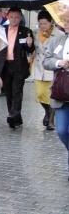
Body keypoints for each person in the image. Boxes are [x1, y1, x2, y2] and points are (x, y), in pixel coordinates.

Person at [0, 7, 34, 129]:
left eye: (16, 17)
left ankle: (13, 114)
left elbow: (30, 50)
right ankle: (16, 116)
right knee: (9, 92)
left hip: (19, 65)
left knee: (17, 91)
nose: (14, 20)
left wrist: (29, 43)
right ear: (7, 17)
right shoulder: (1, 30)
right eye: (11, 17)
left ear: (20, 18)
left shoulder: (26, 31)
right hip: (5, 65)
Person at [42, 19, 69, 182]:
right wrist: (59, 62)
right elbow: (46, 61)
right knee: (61, 130)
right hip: (61, 92)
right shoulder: (57, 40)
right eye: (65, 20)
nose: (66, 23)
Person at [32, 10, 64, 131]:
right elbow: (30, 49)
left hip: (52, 68)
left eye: (45, 23)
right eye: (40, 24)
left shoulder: (59, 34)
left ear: (51, 22)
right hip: (39, 67)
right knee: (40, 94)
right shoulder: (34, 33)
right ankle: (47, 111)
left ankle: (51, 120)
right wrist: (29, 44)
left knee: (52, 95)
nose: (42, 26)